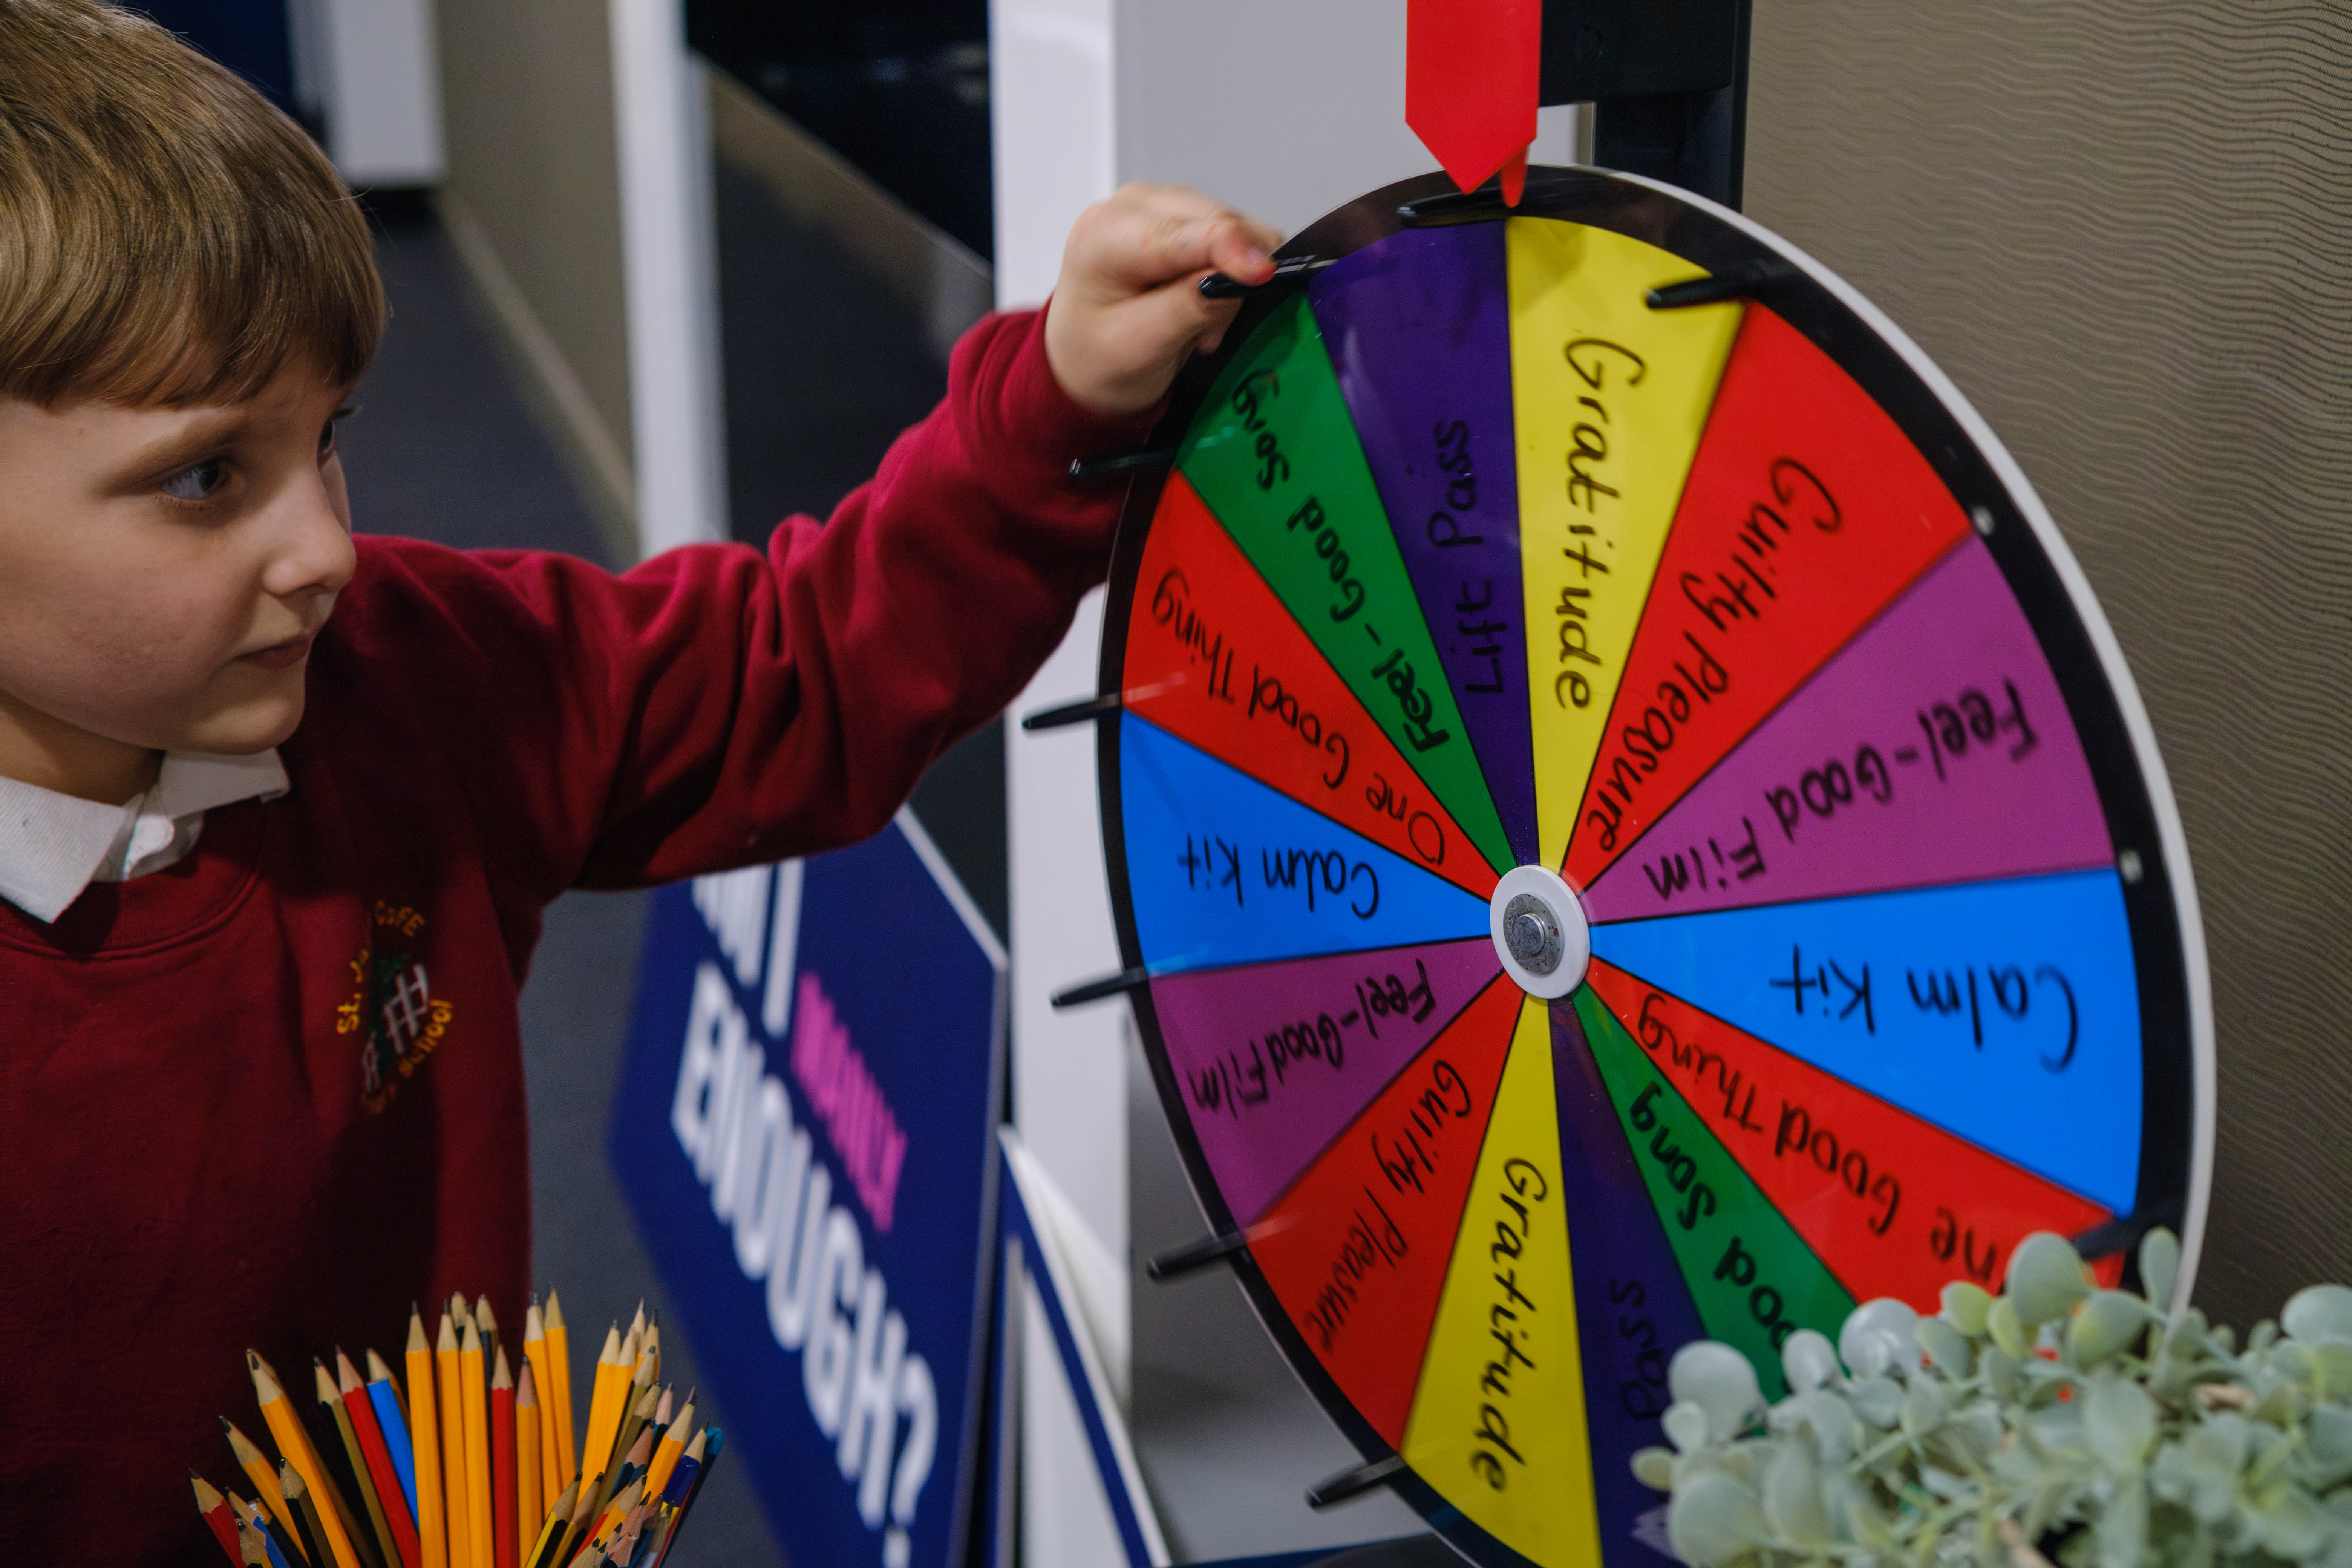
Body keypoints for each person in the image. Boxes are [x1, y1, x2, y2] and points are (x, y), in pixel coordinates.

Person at [0, 1, 1279, 1559]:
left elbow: (796, 666)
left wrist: (1055, 408)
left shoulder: (409, 671)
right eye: (206, 478)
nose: (325, 546)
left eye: (325, 438)